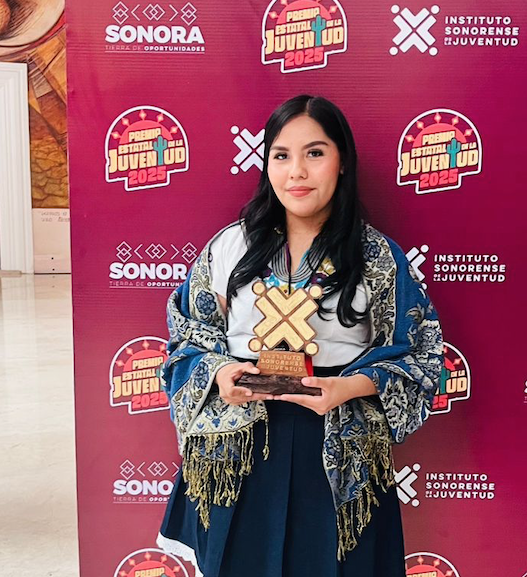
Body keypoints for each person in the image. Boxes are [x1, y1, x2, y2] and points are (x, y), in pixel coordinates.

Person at [156, 94, 443, 577]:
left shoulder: (375, 256)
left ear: (342, 161)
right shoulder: (230, 247)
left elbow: (420, 354)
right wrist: (221, 373)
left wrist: (346, 388)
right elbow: (187, 337)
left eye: (315, 153)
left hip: (337, 445)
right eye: (281, 155)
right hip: (238, 445)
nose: (297, 172)